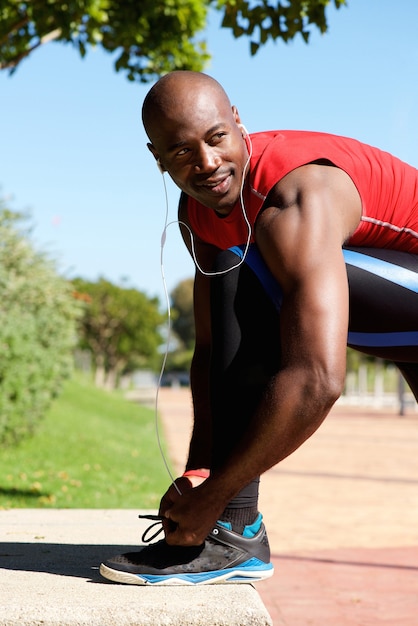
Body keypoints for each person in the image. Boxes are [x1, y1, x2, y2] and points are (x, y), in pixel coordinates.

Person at [100, 70, 418, 586]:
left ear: (239, 123)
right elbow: (212, 349)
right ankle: (234, 534)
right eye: (181, 152)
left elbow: (317, 379)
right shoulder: (200, 213)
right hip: (400, 311)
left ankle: (233, 525)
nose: (206, 163)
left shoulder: (295, 196)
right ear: (156, 158)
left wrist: (217, 494)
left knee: (254, 260)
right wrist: (199, 477)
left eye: (216, 138)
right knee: (242, 262)